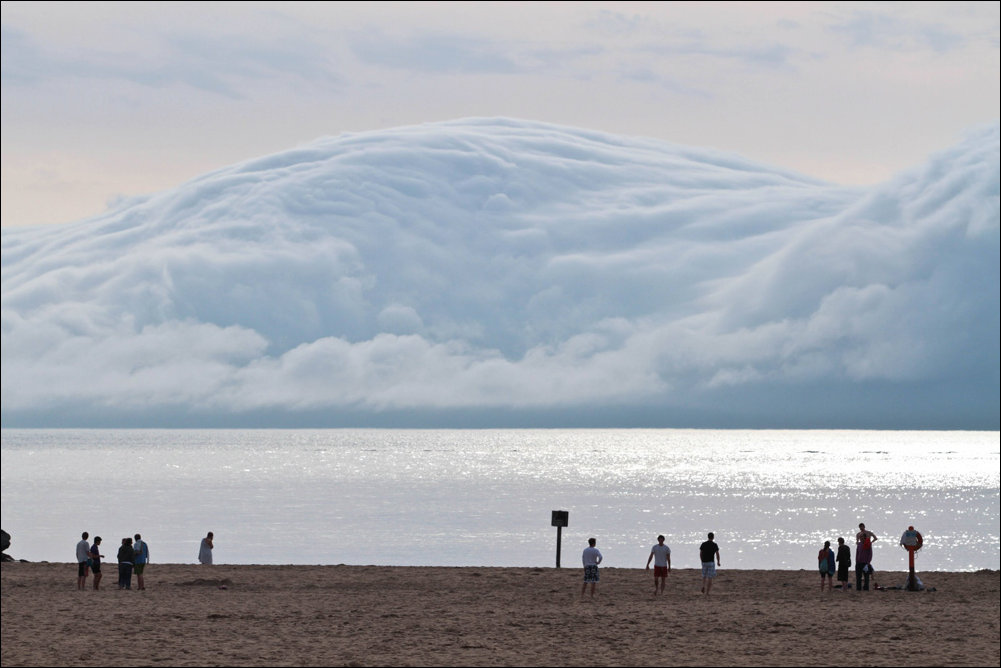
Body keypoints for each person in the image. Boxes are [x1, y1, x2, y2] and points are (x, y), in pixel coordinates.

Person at [855, 522, 878, 591]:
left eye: (862, 527)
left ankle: (866, 587)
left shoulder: (868, 533)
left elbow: (875, 538)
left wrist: (871, 542)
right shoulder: (858, 534)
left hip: (866, 557)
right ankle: (859, 588)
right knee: (859, 576)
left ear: (864, 526)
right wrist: (856, 560)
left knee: (866, 575)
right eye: (860, 527)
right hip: (859, 559)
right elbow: (857, 542)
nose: (861, 528)